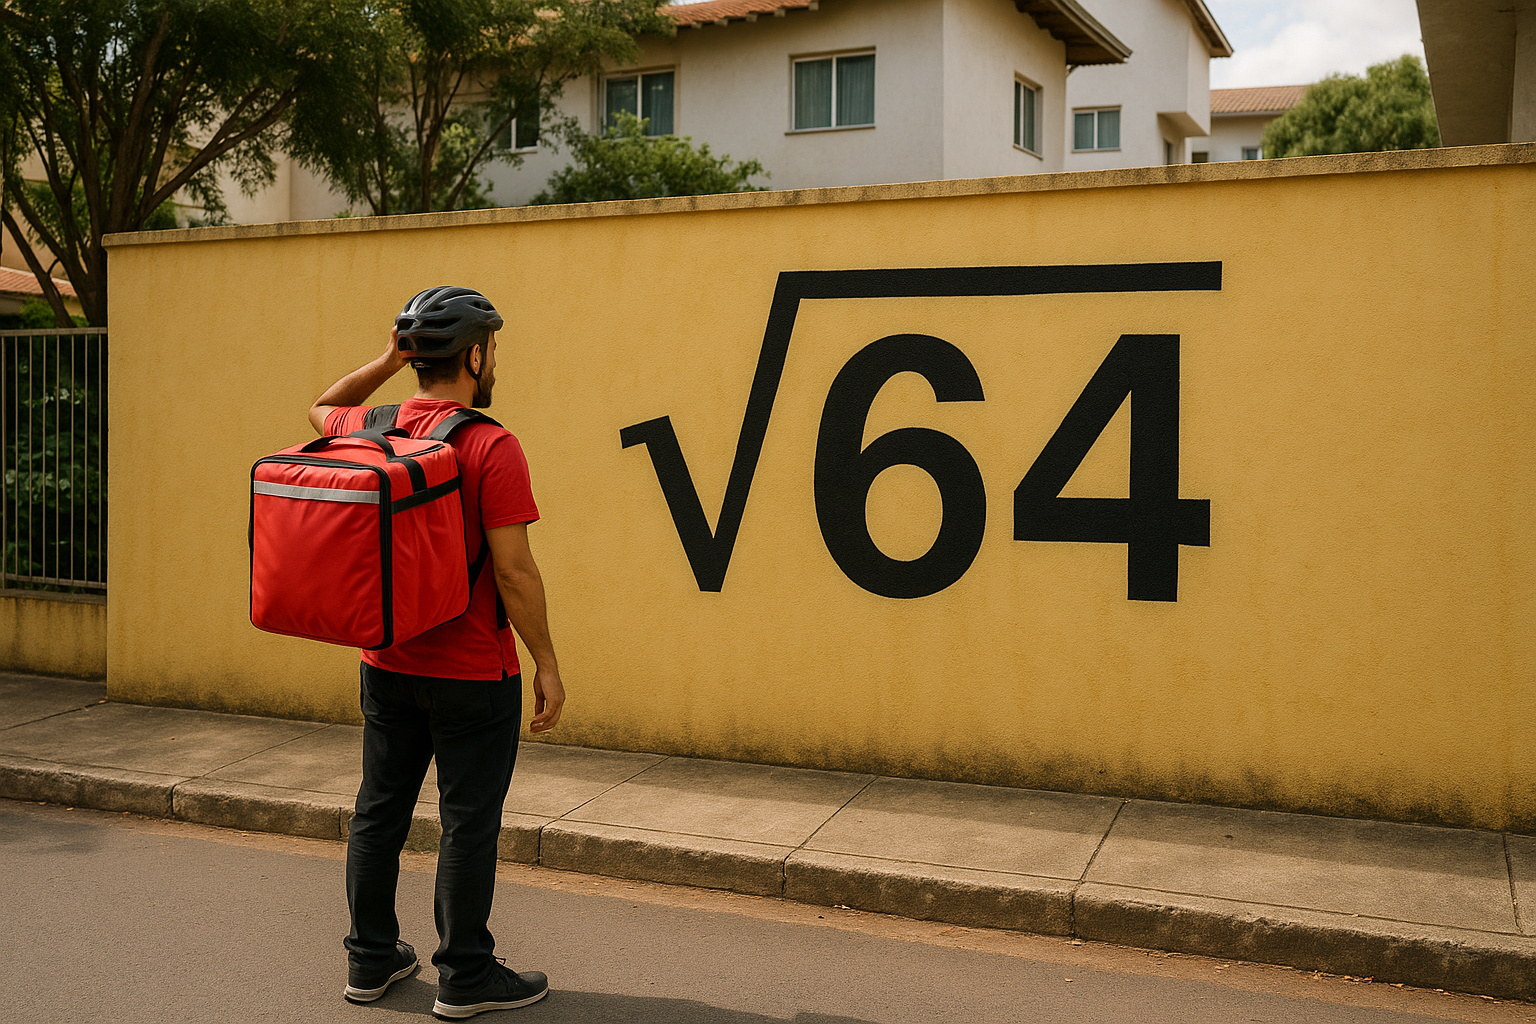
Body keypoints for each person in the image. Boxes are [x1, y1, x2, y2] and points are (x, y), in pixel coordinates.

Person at [308, 285, 565, 1019]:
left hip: (386, 663)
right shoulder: (490, 445)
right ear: (476, 354)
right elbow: (514, 571)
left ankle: (369, 960)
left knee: (378, 811)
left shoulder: (369, 427)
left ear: (416, 354)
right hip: (473, 672)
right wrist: (545, 661)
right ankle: (465, 973)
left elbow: (319, 406)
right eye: (494, 350)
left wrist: (386, 361)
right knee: (466, 822)